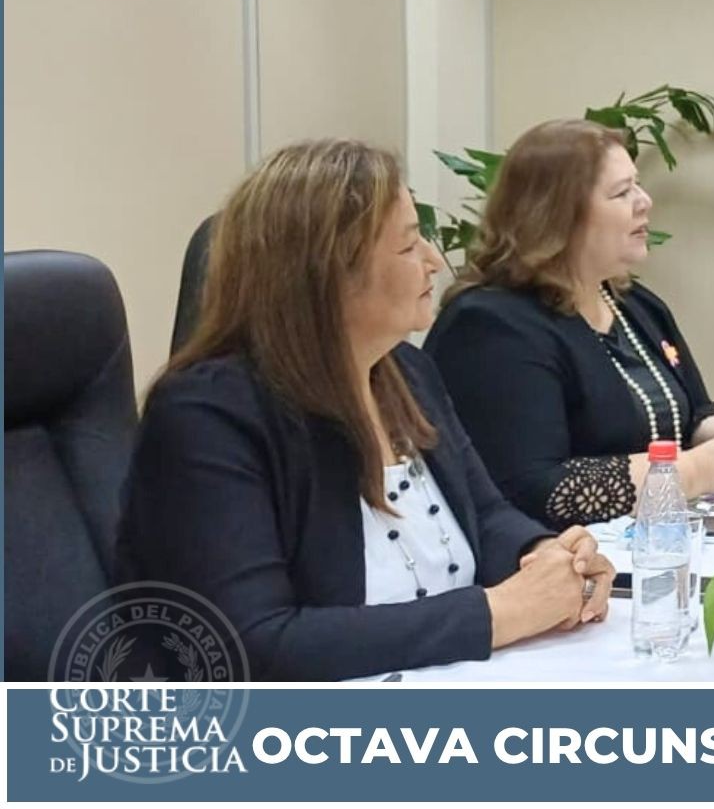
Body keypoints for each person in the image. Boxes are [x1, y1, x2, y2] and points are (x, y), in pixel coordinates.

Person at [119, 140, 613, 681]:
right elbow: (253, 643)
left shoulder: (406, 371)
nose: (433, 261)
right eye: (408, 246)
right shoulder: (206, 416)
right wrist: (501, 612)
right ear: (329, 273)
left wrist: (546, 556)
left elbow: (485, 513)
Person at [426, 119, 714, 528]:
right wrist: (695, 471)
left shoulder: (634, 303)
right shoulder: (490, 326)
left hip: (658, 541)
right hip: (555, 557)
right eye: (622, 192)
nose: (645, 201)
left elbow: (690, 412)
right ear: (557, 216)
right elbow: (535, 489)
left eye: (638, 185)